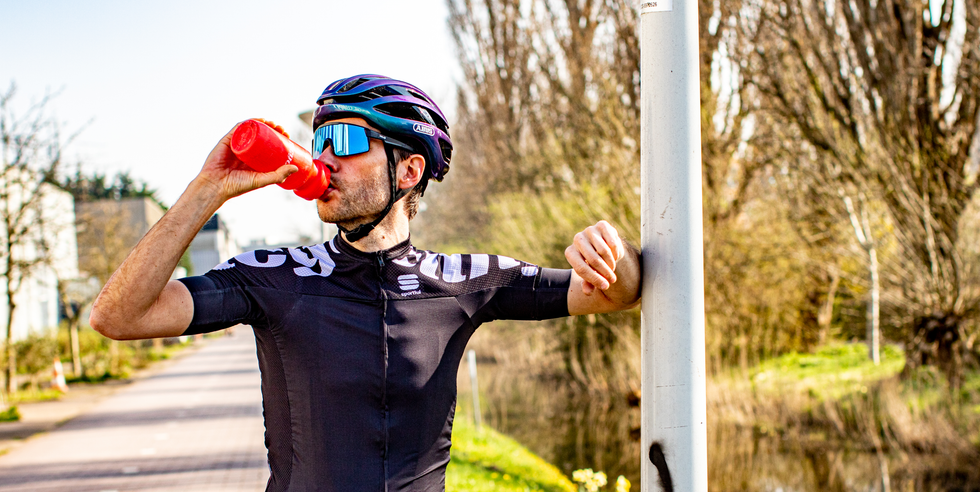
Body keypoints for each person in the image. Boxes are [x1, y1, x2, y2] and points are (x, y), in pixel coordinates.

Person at [90, 74, 641, 492]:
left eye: (347, 140)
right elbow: (118, 317)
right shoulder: (274, 277)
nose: (323, 159)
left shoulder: (462, 280)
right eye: (320, 140)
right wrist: (207, 190)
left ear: (408, 172)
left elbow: (618, 292)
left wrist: (611, 253)